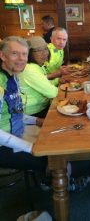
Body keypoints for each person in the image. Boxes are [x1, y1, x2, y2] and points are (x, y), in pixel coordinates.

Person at [0, 36, 46, 171]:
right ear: (2, 55)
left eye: (24, 54)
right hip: (4, 146)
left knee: (57, 140)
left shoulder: (13, 76)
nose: (21, 59)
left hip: (18, 131)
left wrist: (37, 120)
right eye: (15, 53)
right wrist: (30, 147)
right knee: (53, 160)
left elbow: (16, 111)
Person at [18, 37, 58, 118]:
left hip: (42, 107)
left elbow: (44, 83)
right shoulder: (29, 69)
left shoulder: (38, 65)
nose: (44, 53)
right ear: (29, 53)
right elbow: (53, 93)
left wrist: (59, 80)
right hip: (34, 113)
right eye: (38, 50)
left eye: (45, 49)